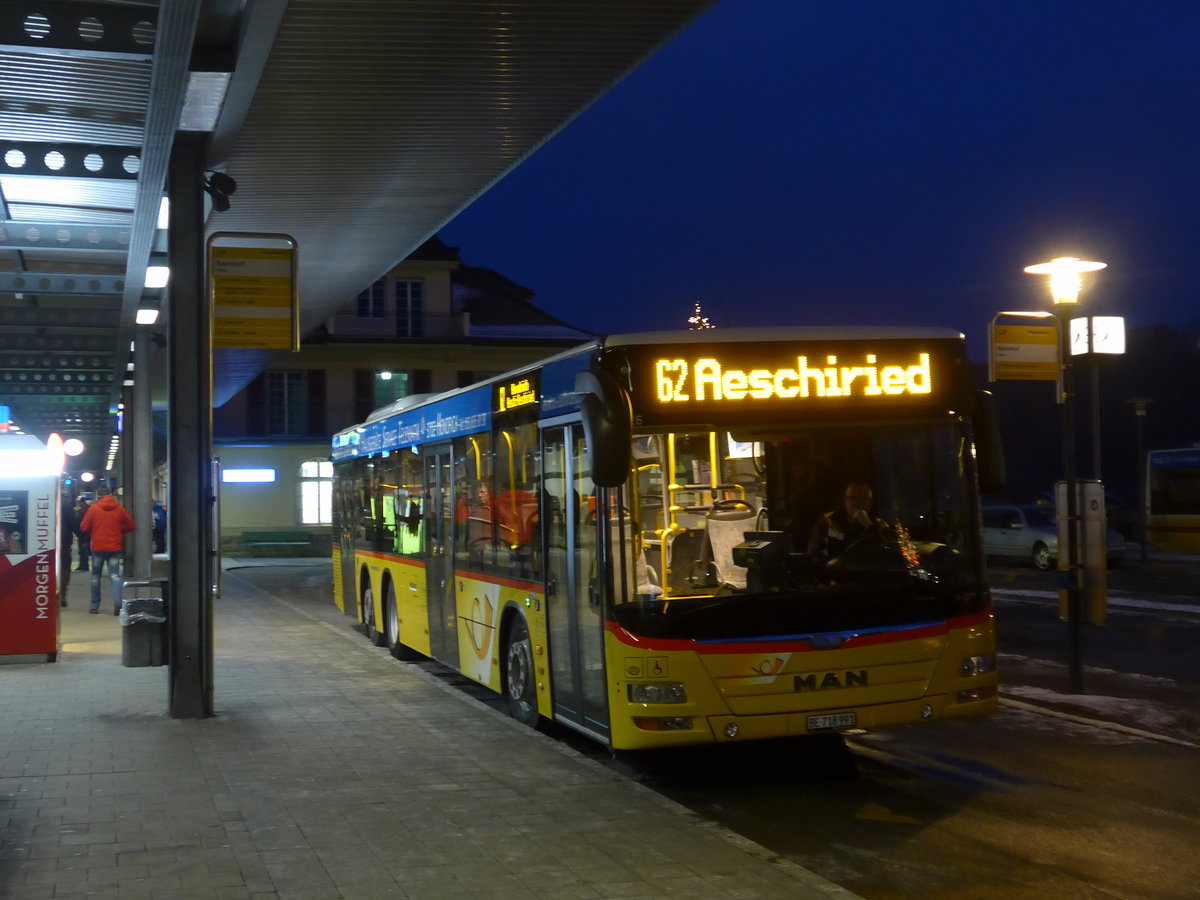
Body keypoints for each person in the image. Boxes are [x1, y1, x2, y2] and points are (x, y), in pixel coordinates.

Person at [79, 486, 135, 615]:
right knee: (114, 576)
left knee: (95, 577)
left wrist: (93, 532)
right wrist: (120, 532)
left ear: (98, 495)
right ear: (111, 495)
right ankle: (117, 604)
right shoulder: (119, 509)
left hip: (98, 547)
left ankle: (94, 606)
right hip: (115, 547)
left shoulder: (93, 509)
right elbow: (131, 525)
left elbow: (84, 527)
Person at [807, 480, 890, 561]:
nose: (855, 503)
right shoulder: (829, 521)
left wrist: (869, 527)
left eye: (861, 499)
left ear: (870, 502)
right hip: (835, 572)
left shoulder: (879, 525)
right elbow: (814, 553)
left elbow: (887, 552)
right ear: (845, 500)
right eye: (851, 498)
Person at [58, 494, 81, 608]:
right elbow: (73, 522)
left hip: (43, 543)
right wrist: (82, 536)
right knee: (65, 569)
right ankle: (61, 595)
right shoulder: (65, 503)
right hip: (64, 542)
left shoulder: (40, 497)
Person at [74, 494, 92, 571]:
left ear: (81, 501)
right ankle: (82, 565)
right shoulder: (86, 508)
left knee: (83, 550)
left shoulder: (83, 510)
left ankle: (84, 566)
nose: (77, 503)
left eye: (78, 501)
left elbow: (79, 521)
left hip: (84, 533)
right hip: (86, 533)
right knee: (83, 550)